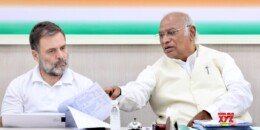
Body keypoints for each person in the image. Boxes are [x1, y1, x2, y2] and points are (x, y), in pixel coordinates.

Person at [105, 12, 253, 127]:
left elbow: (242, 94)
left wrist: (209, 113)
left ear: (192, 32)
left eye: (171, 32)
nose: (165, 40)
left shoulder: (221, 59)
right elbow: (137, 92)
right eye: (161, 35)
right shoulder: (154, 70)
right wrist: (120, 93)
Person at [0, 21, 93, 126]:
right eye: (51, 51)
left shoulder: (85, 85)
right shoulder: (18, 86)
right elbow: (8, 125)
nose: (60, 56)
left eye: (62, 48)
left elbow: (93, 125)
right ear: (36, 55)